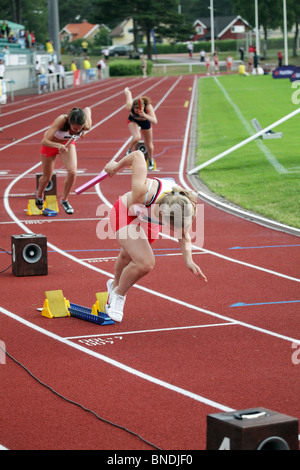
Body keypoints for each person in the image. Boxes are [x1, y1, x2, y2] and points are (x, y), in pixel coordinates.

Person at [103, 150, 207, 322]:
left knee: (127, 255)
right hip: (125, 212)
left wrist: (188, 260)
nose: (175, 231)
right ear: (162, 213)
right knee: (145, 263)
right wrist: (116, 166)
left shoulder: (186, 207)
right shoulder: (142, 192)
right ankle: (119, 294)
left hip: (148, 220)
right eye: (171, 226)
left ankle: (114, 285)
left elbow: (184, 235)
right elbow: (137, 155)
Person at [36, 107, 92, 214]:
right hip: (50, 145)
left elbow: (88, 110)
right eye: (75, 129)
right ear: (69, 122)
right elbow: (44, 141)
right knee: (47, 177)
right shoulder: (62, 120)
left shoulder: (86, 125)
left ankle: (64, 200)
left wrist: (86, 112)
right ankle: (39, 195)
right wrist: (57, 145)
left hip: (67, 145)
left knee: (72, 172)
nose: (77, 131)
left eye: (80, 129)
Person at [124, 87, 157, 171]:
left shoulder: (148, 107)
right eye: (136, 109)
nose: (138, 111)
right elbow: (128, 95)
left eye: (140, 109)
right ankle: (129, 150)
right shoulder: (129, 107)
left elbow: (155, 121)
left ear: (143, 107)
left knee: (149, 144)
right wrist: (127, 91)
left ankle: (150, 160)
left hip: (145, 121)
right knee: (136, 137)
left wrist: (145, 115)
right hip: (133, 120)